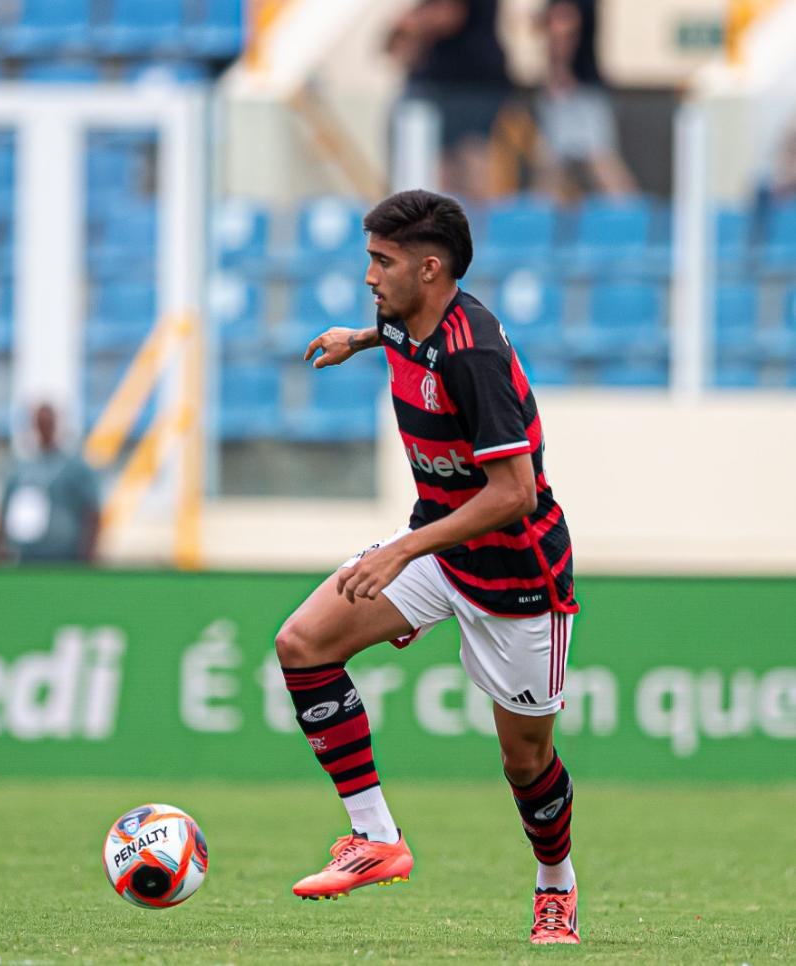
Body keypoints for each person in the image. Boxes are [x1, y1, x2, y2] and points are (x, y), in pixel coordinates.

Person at [286, 190, 580, 944]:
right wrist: (358, 338)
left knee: (526, 761)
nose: (368, 277)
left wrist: (403, 550)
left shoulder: (472, 353)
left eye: (380, 263)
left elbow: (514, 494)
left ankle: (556, 884)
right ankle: (376, 839)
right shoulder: (407, 320)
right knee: (304, 645)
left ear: (429, 268)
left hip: (517, 574)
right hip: (441, 547)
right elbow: (394, 333)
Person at [387, 0, 511, 202]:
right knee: (446, 168)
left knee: (469, 162)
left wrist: (414, 22)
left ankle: (469, 227)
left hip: (468, 85)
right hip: (453, 83)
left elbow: (449, 16)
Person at [534, 0, 636, 198]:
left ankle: (631, 220)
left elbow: (562, 26)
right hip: (580, 87)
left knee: (598, 160)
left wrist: (559, 71)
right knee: (552, 166)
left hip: (572, 90)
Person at [0, 403, 100, 565]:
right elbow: (4, 512)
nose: (44, 427)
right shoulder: (20, 468)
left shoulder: (75, 467)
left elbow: (92, 511)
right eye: (40, 422)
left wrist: (90, 552)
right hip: (26, 557)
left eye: (48, 422)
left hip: (67, 558)